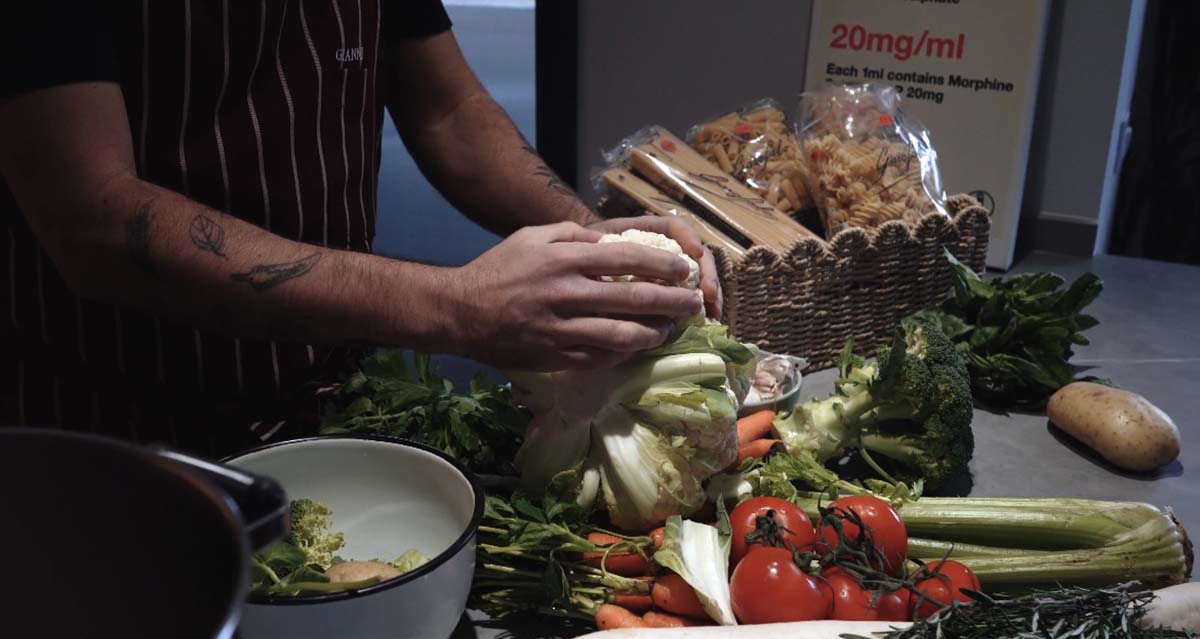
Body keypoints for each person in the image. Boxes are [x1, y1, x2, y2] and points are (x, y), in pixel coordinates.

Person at [0, 1, 721, 456]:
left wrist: (602, 240)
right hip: (120, 424)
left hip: (328, 397)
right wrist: (456, 305)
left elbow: (448, 110)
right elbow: (91, 214)